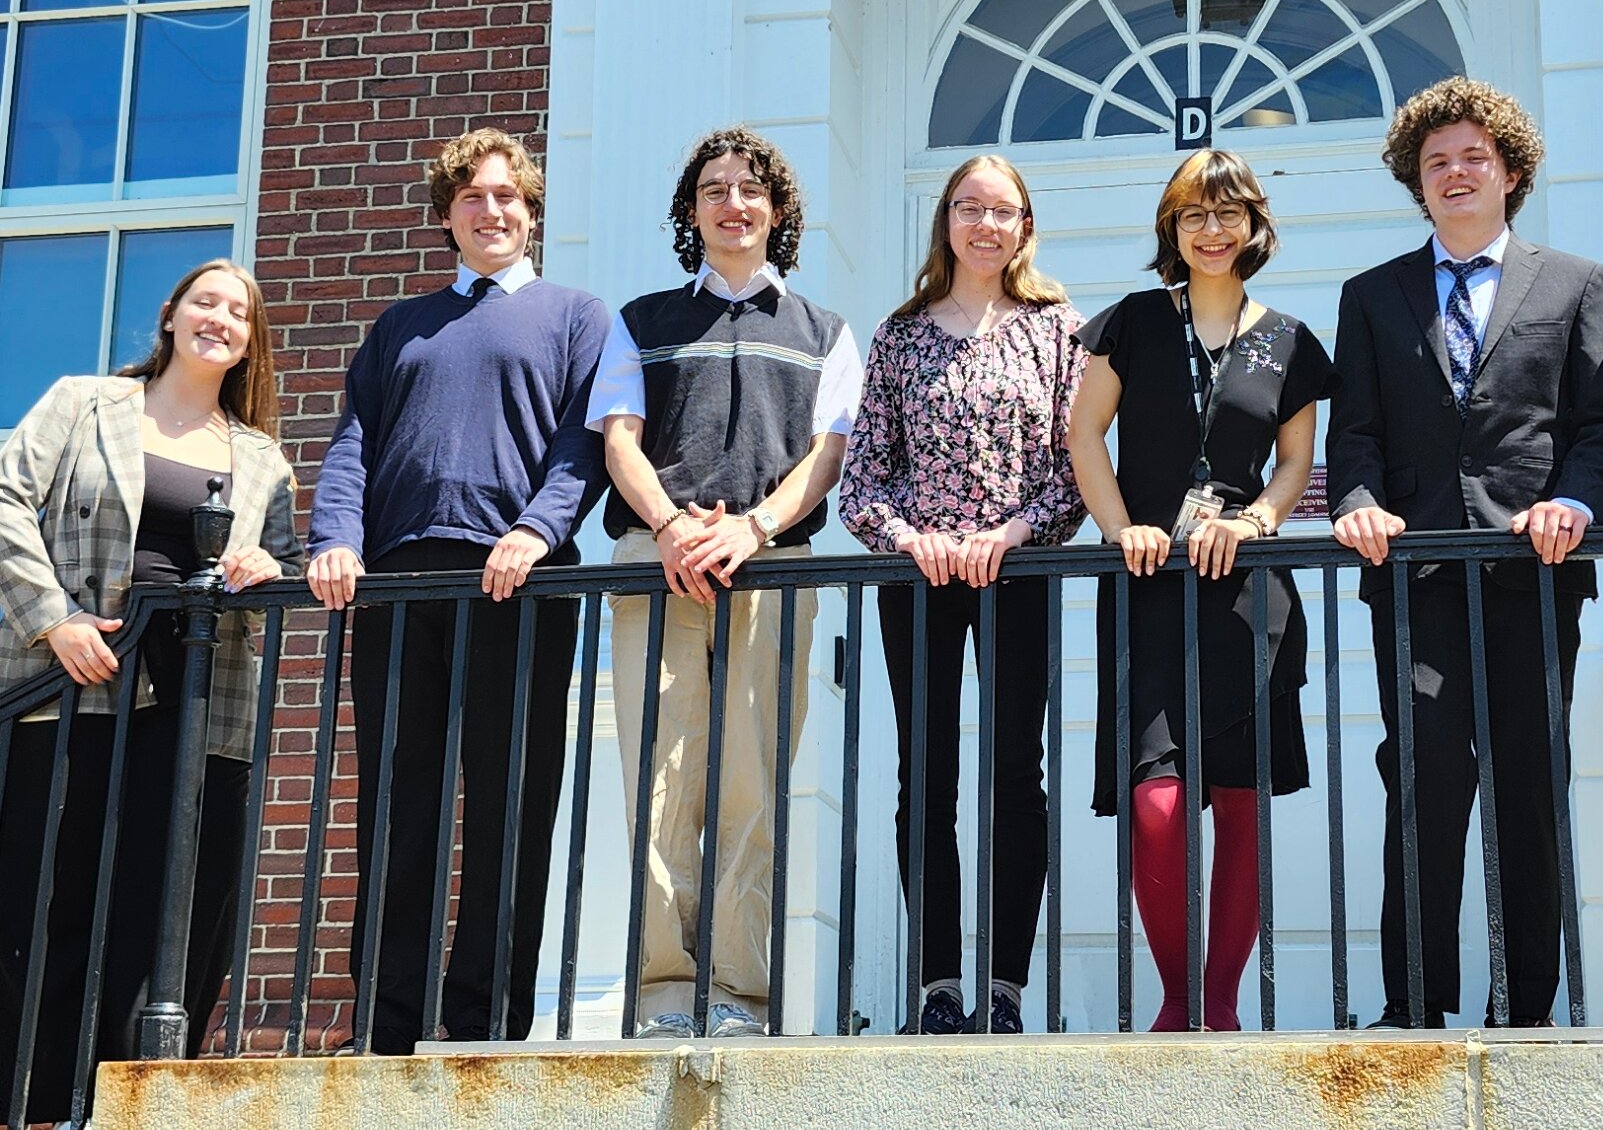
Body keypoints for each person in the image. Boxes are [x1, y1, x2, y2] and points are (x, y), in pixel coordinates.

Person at [1329, 78, 1603, 1029]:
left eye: (1472, 157)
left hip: (1532, 572)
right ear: (1416, 182)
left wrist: (1573, 502)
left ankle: (1523, 1009)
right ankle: (1413, 1005)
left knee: (1527, 786)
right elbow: (1355, 436)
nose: (1454, 173)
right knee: (1422, 778)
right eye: (1435, 162)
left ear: (1509, 172)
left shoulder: (1574, 282)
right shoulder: (1371, 296)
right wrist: (1359, 506)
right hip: (1414, 578)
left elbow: (1599, 426)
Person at [308, 127, 610, 1054]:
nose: (491, 210)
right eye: (472, 196)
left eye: (507, 195)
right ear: (446, 216)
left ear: (532, 212)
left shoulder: (576, 316)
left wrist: (536, 529)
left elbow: (585, 445)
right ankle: (384, 1023)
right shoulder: (400, 324)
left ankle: (486, 1025)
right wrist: (335, 539)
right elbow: (353, 443)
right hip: (399, 588)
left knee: (512, 806)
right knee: (399, 809)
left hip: (520, 584)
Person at [0, 259, 299, 1116]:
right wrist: (52, 619)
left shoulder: (262, 458)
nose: (220, 318)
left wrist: (263, 566)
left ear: (249, 341)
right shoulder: (83, 403)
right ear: (171, 315)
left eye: (238, 312)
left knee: (169, 908)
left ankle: (133, 1101)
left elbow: (280, 566)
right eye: (206, 302)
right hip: (76, 679)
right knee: (48, 899)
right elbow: (5, 497)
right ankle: (30, 1100)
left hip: (202, 695)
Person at [588, 128, 861, 1039]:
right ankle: (665, 994)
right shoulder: (640, 321)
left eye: (750, 189)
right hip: (654, 562)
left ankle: (739, 995)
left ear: (776, 211)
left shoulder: (824, 332)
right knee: (658, 782)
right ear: (692, 210)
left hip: (771, 563)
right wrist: (672, 527)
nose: (732, 203)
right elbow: (619, 441)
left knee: (753, 782)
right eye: (714, 189)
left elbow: (826, 459)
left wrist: (753, 527)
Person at [1069, 148, 1331, 1032]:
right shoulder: (1133, 322)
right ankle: (1176, 997)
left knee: (1241, 808)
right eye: (1193, 215)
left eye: (1227, 214)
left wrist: (1255, 519)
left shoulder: (1290, 339)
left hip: (1248, 600)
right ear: (1171, 230)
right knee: (1157, 805)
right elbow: (1084, 435)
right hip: (1149, 588)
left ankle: (1218, 1007)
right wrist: (1120, 529)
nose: (1211, 230)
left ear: (1254, 225)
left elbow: (1294, 462)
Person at [841, 153, 1086, 1037]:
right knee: (926, 776)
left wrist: (1013, 533)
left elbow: (1076, 472)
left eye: (1002, 210)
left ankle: (1006, 993)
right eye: (968, 208)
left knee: (1017, 774)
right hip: (921, 580)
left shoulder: (1059, 331)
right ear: (945, 220)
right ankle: (938, 991)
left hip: (1017, 574)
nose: (985, 225)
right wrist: (910, 539)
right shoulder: (899, 335)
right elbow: (862, 481)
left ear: (1025, 226)